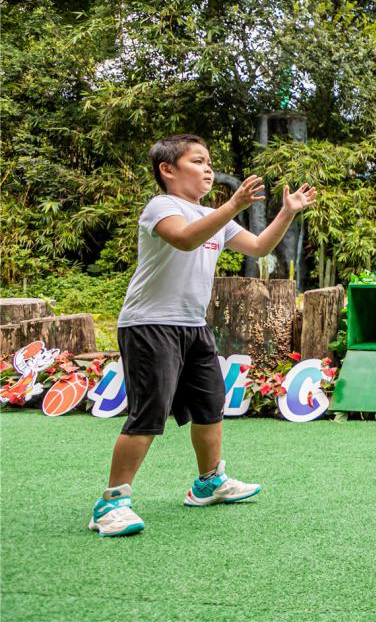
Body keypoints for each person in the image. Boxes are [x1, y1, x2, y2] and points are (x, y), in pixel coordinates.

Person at [88, 134, 317, 537]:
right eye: (198, 161)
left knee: (211, 404)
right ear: (168, 169)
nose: (209, 168)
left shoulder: (217, 217)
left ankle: (208, 483)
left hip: (193, 325)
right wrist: (233, 205)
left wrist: (286, 212)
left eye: (210, 161)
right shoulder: (162, 207)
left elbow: (260, 248)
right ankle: (111, 502)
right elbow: (184, 238)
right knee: (149, 413)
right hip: (149, 324)